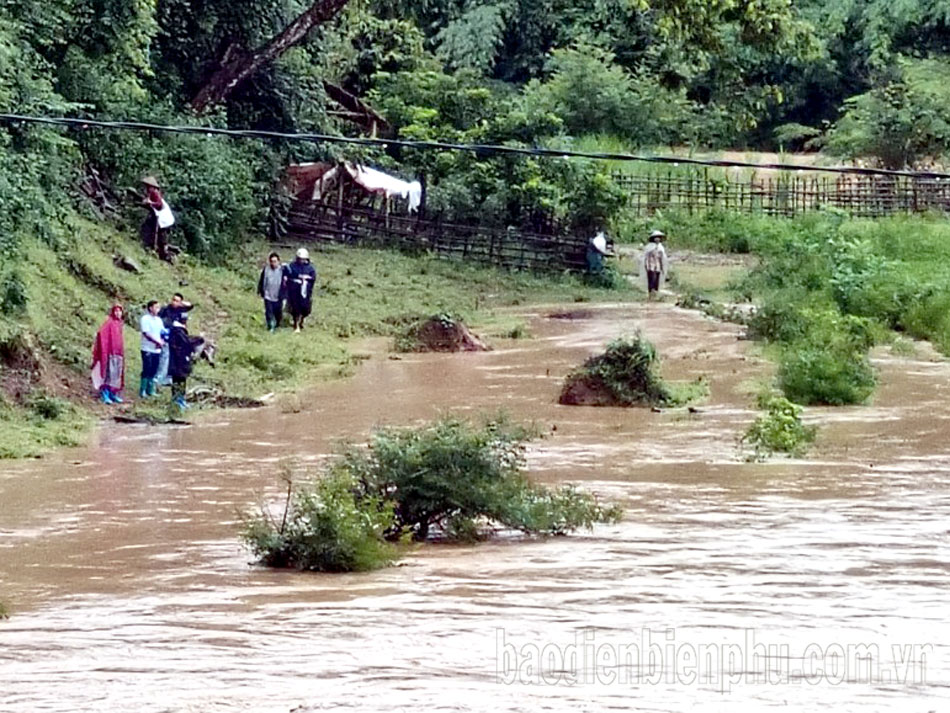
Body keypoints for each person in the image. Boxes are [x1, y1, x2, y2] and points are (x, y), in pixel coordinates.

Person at [168, 313, 205, 410]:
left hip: (181, 360)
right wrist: (199, 339)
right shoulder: (177, 331)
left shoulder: (180, 330)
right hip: (178, 361)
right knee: (178, 379)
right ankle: (177, 400)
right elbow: (186, 342)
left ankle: (181, 399)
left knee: (182, 379)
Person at [155, 293, 193, 386]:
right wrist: (172, 324)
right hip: (166, 335)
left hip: (176, 338)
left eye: (177, 301)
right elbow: (160, 320)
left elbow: (190, 306)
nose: (174, 302)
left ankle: (169, 377)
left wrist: (182, 303)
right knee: (163, 358)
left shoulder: (180, 310)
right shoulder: (166, 309)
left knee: (173, 358)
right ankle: (159, 378)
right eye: (173, 300)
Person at [91, 304, 125, 404]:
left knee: (116, 374)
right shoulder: (109, 323)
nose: (118, 313)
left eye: (120, 311)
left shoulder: (119, 323)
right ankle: (105, 394)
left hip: (118, 352)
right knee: (109, 374)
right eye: (116, 311)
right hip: (110, 353)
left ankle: (113, 393)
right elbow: (101, 333)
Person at [140, 177, 175, 262]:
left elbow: (159, 205)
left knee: (161, 236)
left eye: (148, 186)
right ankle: (150, 246)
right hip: (158, 217)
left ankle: (164, 254)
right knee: (149, 229)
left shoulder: (155, 193)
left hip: (164, 218)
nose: (147, 188)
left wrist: (150, 203)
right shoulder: (150, 193)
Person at [285, 247, 317, 333]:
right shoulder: (292, 266)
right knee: (295, 308)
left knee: (306, 308)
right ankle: (296, 324)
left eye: (303, 259)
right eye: (300, 259)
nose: (301, 261)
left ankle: (302, 320)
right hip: (295, 292)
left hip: (306, 292)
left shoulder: (310, 268)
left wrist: (307, 279)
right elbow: (289, 276)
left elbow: (313, 278)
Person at [139, 300, 164, 398]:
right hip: (147, 348)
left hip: (157, 349)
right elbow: (146, 333)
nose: (158, 309)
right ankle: (142, 389)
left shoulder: (159, 320)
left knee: (154, 369)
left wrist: (162, 341)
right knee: (147, 368)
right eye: (156, 307)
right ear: (150, 308)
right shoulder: (145, 319)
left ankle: (150, 389)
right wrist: (156, 342)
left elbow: (162, 332)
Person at [257, 252, 286, 331]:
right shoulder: (266, 270)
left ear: (278, 261)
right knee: (269, 311)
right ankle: (270, 325)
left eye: (275, 261)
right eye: (272, 261)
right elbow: (261, 281)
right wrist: (260, 291)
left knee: (278, 312)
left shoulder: (282, 270)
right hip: (268, 295)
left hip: (278, 295)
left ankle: (277, 324)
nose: (273, 263)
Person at [640, 229, 668, 298]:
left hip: (657, 266)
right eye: (656, 237)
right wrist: (646, 265)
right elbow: (646, 257)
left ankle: (655, 293)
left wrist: (662, 267)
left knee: (656, 280)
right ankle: (650, 293)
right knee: (651, 280)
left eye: (658, 237)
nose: (657, 239)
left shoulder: (661, 247)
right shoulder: (649, 247)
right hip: (650, 266)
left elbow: (662, 258)